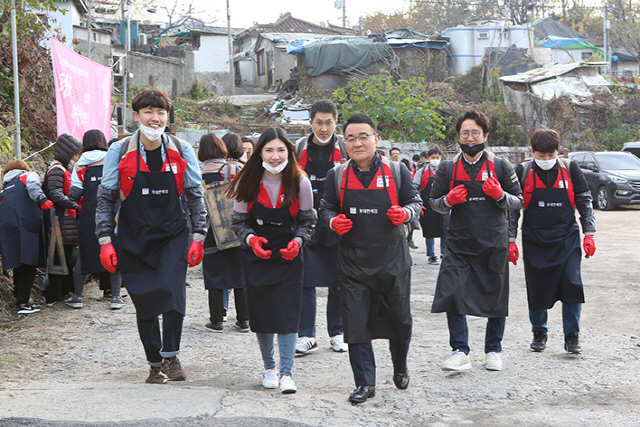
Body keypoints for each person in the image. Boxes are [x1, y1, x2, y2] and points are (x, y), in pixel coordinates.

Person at [95, 87, 206, 384]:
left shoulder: (181, 149)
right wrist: (105, 240)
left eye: (161, 113)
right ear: (136, 115)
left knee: (172, 295)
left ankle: (171, 357)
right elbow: (105, 199)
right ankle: (154, 363)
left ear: (167, 116)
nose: (155, 119)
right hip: (133, 236)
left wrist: (198, 235)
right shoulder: (119, 150)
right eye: (149, 112)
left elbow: (196, 196)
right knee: (144, 300)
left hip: (173, 234)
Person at [319, 114, 421, 404]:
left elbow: (415, 202)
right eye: (350, 138)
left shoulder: (397, 171)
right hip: (353, 263)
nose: (357, 142)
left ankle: (400, 366)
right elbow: (325, 208)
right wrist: (331, 221)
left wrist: (405, 214)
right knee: (355, 322)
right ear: (344, 144)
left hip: (393, 261)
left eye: (364, 136)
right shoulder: (336, 175)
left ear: (377, 139)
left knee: (399, 319)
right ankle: (365, 382)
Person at [429, 108, 523, 373]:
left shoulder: (500, 165)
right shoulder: (447, 167)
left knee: (495, 293)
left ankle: (493, 349)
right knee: (452, 292)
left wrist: (499, 195)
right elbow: (433, 203)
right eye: (465, 133)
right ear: (458, 136)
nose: (470, 138)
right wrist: (449, 200)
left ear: (486, 134)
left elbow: (519, 201)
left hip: (493, 241)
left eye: (475, 133)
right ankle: (460, 350)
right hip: (459, 243)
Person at [228, 127, 316, 394]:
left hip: (288, 249)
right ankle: (269, 368)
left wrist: (298, 241)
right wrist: (251, 240)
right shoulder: (247, 181)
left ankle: (287, 373)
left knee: (288, 313)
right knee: (263, 313)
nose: (275, 156)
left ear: (289, 152)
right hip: (257, 252)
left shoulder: (300, 182)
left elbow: (308, 220)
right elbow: (238, 222)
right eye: (269, 150)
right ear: (258, 153)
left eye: (281, 150)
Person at [509, 128, 596, 354]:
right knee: (537, 288)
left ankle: (572, 335)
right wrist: (510, 239)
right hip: (534, 238)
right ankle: (539, 331)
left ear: (558, 151)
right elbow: (513, 210)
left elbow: (584, 199)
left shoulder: (570, 168)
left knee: (571, 284)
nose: (546, 160)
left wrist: (589, 233)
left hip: (566, 237)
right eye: (541, 155)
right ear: (532, 152)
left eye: (551, 155)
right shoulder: (523, 171)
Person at [294, 99, 348, 355]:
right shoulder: (299, 148)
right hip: (306, 222)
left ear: (336, 122)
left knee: (339, 280)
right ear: (310, 123)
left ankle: (337, 333)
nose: (324, 128)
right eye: (319, 122)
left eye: (328, 122)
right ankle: (306, 335)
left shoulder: (346, 149)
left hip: (338, 221)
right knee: (305, 281)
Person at [198, 133, 249, 333]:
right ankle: (244, 319)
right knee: (240, 273)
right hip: (237, 228)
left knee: (214, 274)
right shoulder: (238, 169)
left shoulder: (197, 171)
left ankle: (217, 320)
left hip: (210, 229)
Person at [69, 129, 125, 310]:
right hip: (112, 212)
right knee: (114, 249)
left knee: (85, 251)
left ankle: (77, 297)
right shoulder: (113, 160)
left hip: (89, 214)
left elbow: (74, 193)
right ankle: (115, 297)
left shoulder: (79, 166)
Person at [0, 160, 52, 314]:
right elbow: (33, 188)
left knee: (17, 261)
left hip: (6, 227)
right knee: (29, 262)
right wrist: (43, 201)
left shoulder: (5, 189)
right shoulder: (28, 176)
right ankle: (23, 304)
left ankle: (19, 297)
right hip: (26, 223)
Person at [41, 133, 83, 306]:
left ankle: (63, 292)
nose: (76, 158)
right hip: (60, 219)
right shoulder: (57, 170)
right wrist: (76, 205)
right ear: (67, 153)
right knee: (59, 257)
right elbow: (55, 194)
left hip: (65, 220)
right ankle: (54, 294)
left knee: (64, 257)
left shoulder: (62, 169)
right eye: (75, 154)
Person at [413, 147, 449, 264]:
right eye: (433, 157)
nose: (435, 160)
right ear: (428, 158)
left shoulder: (446, 171)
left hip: (443, 205)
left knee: (445, 230)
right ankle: (431, 255)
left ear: (441, 158)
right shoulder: (421, 172)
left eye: (437, 157)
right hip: (427, 206)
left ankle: (444, 253)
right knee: (429, 230)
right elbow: (415, 188)